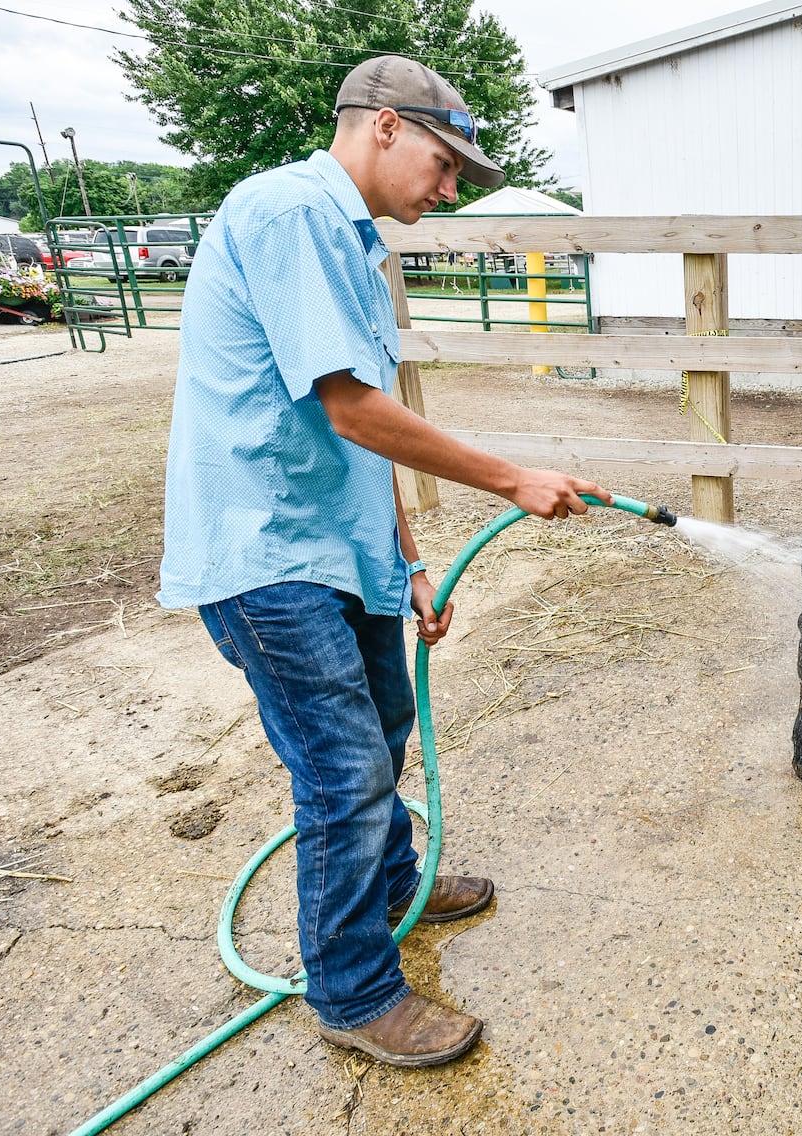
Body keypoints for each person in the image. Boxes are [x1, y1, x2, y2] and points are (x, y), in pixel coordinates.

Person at [158, 54, 611, 1068]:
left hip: (332, 542)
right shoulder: (289, 215)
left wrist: (404, 558)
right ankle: (354, 990)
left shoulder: (353, 246)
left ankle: (396, 887)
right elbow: (351, 405)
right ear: (386, 128)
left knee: (386, 726)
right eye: (448, 166)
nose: (450, 191)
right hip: (265, 551)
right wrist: (507, 477)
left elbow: (368, 430)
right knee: (344, 768)